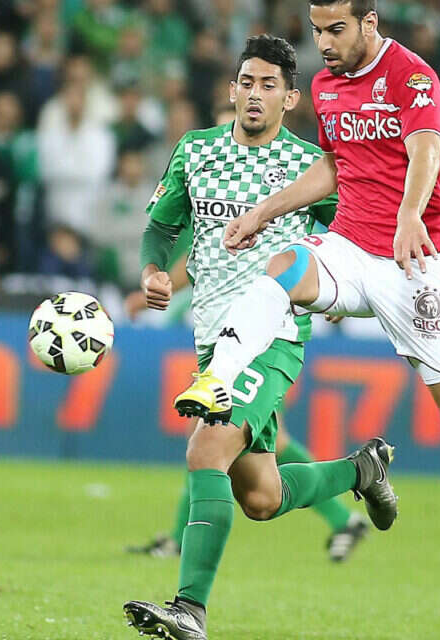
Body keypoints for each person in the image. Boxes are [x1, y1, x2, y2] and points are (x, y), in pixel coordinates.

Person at [176, 0, 440, 543]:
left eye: (335, 29)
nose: (324, 43)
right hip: (348, 246)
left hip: (412, 262)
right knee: (284, 266)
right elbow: (334, 166)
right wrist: (262, 213)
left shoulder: (411, 76)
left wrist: (411, 213)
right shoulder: (325, 84)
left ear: (369, 23)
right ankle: (217, 379)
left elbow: (426, 152)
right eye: (317, 30)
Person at [123, 35, 397, 640]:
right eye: (246, 82)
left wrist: (338, 290)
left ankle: (189, 609)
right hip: (211, 340)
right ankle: (362, 470)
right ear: (231, 89)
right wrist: (152, 272)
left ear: (290, 98)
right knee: (262, 497)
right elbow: (161, 228)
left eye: (268, 85)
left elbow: (349, 236)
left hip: (273, 336)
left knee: (205, 451)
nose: (254, 94)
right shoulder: (196, 151)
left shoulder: (310, 167)